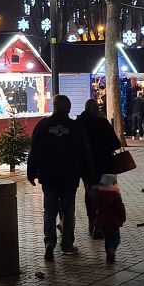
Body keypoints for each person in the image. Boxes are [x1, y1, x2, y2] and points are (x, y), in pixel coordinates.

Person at [27, 95, 91, 261]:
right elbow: (84, 153)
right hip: (70, 176)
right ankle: (67, 244)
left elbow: (34, 149)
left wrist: (31, 171)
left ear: (54, 107)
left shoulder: (43, 125)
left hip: (49, 176)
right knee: (68, 211)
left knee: (49, 211)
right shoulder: (76, 127)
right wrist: (88, 175)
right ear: (68, 108)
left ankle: (50, 242)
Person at [77, 98, 121, 240]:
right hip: (104, 164)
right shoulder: (103, 123)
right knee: (104, 194)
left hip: (86, 165)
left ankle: (91, 219)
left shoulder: (79, 124)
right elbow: (116, 144)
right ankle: (98, 224)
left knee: (90, 191)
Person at [91, 174, 126, 264]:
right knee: (115, 238)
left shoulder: (99, 194)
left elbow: (95, 207)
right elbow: (120, 208)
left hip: (102, 222)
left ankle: (108, 254)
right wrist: (123, 217)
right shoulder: (115, 195)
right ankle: (111, 251)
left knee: (107, 238)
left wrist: (95, 219)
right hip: (113, 222)